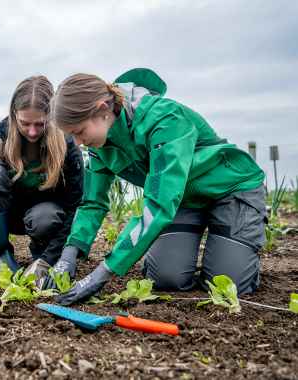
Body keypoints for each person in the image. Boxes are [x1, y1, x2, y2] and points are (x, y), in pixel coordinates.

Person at [45, 68, 266, 305]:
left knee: (228, 285)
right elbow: (92, 202)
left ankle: (237, 244)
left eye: (79, 132)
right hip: (184, 201)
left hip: (230, 190)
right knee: (165, 278)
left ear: (102, 109)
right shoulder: (100, 146)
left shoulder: (164, 119)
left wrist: (103, 272)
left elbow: (159, 202)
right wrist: (70, 253)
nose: (78, 143)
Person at [0, 75, 84, 281]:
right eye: (24, 123)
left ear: (52, 117)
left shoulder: (67, 148)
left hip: (45, 219)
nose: (32, 131)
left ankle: (41, 256)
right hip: (7, 216)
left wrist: (51, 257)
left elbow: (76, 205)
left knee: (45, 216)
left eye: (40, 124)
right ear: (13, 115)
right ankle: (2, 254)